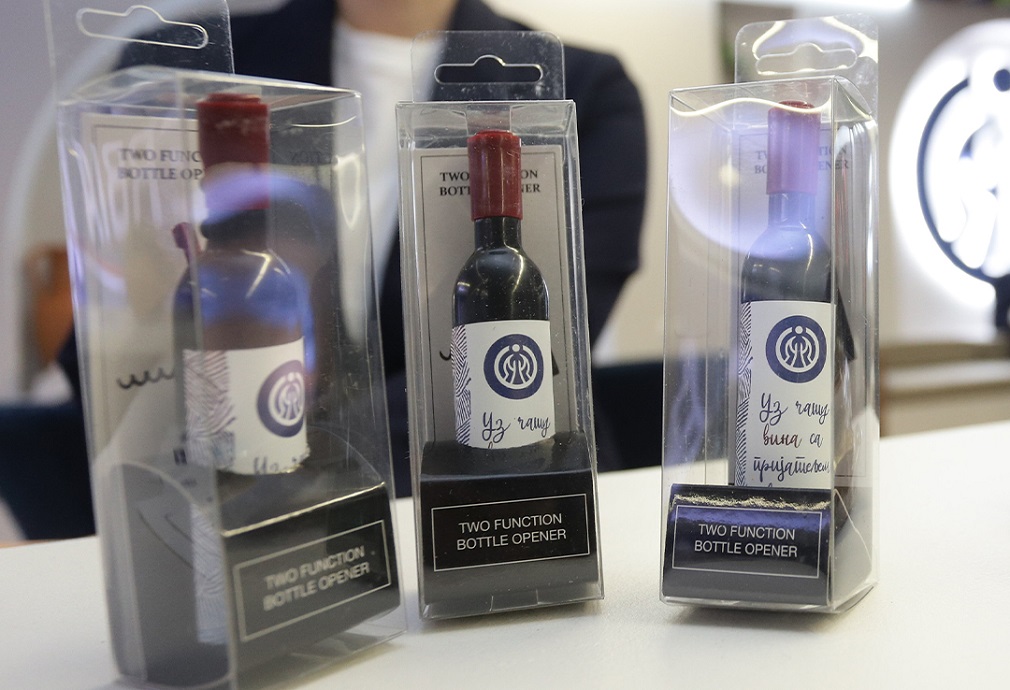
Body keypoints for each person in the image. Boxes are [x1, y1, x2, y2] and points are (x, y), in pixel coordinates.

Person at [19, 0, 645, 539]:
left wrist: (321, 463)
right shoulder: (183, 65)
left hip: (499, 503)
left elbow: (557, 334)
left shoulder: (579, 88)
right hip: (231, 509)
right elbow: (115, 352)